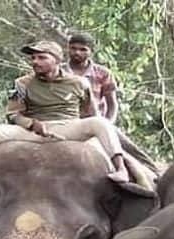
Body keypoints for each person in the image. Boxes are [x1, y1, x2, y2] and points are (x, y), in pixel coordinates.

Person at [0, 40, 155, 193]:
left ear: (56, 60)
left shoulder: (79, 83)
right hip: (34, 130)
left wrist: (88, 130)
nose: (35, 62)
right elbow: (12, 114)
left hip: (68, 127)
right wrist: (31, 123)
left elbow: (90, 113)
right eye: (33, 58)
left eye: (42, 57)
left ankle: (121, 169)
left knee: (101, 123)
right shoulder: (21, 83)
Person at [61, 32, 159, 173]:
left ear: (91, 51)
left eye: (83, 49)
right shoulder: (59, 71)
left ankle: (152, 172)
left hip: (95, 120)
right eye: (73, 48)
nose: (77, 52)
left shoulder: (102, 73)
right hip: (66, 121)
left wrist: (108, 123)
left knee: (127, 148)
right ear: (68, 49)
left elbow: (112, 103)